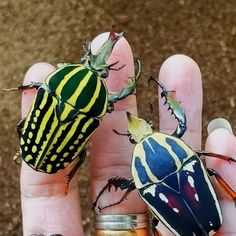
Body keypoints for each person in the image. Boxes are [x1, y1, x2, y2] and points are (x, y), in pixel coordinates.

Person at [20, 33, 236, 236]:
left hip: (39, 148)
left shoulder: (59, 87)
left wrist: (110, 193)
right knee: (213, 172)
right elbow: (183, 125)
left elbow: (128, 185)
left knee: (154, 220)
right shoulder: (187, 155)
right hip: (204, 212)